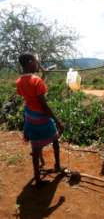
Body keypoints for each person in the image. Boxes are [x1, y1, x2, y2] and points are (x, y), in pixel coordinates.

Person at [16, 53, 64, 188]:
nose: (38, 64)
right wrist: (57, 120)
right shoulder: (37, 81)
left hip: (30, 117)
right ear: (30, 62)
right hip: (41, 118)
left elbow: (27, 96)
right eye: (36, 62)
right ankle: (58, 166)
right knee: (55, 140)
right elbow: (43, 104)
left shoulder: (19, 81)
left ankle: (37, 179)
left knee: (36, 148)